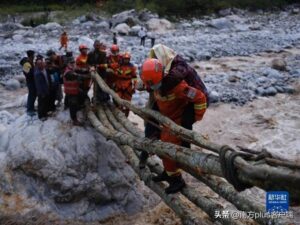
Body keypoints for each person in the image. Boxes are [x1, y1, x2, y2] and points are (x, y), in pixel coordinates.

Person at [140, 58, 207, 194]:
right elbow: (148, 86)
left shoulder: (178, 87)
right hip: (166, 121)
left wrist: (194, 117)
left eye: (154, 85)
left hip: (176, 122)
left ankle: (177, 181)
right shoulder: (155, 84)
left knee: (169, 151)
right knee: (163, 149)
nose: (153, 89)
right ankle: (169, 173)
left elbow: (200, 97)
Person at [113, 52, 137, 117]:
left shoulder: (132, 67)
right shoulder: (119, 66)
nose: (126, 60)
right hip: (119, 85)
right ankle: (118, 115)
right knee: (117, 101)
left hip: (128, 86)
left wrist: (134, 87)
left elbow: (134, 77)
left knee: (128, 103)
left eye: (127, 59)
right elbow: (111, 68)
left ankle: (126, 117)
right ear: (123, 59)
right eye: (125, 59)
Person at [63, 57, 82, 126]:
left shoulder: (72, 69)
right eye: (71, 63)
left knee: (72, 102)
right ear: (68, 64)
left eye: (74, 62)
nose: (73, 64)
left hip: (72, 90)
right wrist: (87, 75)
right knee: (73, 105)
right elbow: (78, 76)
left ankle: (67, 105)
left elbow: (79, 70)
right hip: (71, 91)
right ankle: (74, 120)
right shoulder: (69, 72)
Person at [20, 50, 37, 116]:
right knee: (31, 95)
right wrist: (34, 71)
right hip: (30, 81)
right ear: (30, 55)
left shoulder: (30, 61)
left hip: (33, 81)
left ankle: (31, 107)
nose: (34, 56)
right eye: (33, 55)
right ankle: (29, 109)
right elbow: (27, 73)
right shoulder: (26, 64)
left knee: (34, 94)